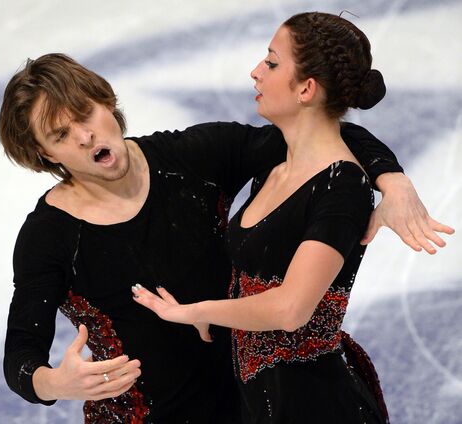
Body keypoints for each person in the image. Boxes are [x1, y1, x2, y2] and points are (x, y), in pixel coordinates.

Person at [0, 51, 452, 423]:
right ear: (44, 153)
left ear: (105, 101)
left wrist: (394, 183)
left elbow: (328, 137)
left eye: (86, 114)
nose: (84, 136)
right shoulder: (48, 236)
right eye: (61, 135)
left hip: (256, 399)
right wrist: (53, 383)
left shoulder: (191, 158)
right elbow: (21, 352)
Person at [131, 11, 454, 424]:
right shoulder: (273, 166)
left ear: (306, 88)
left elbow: (291, 309)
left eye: (271, 62)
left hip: (316, 402)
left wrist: (196, 311)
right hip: (261, 402)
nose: (255, 72)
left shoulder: (343, 185)